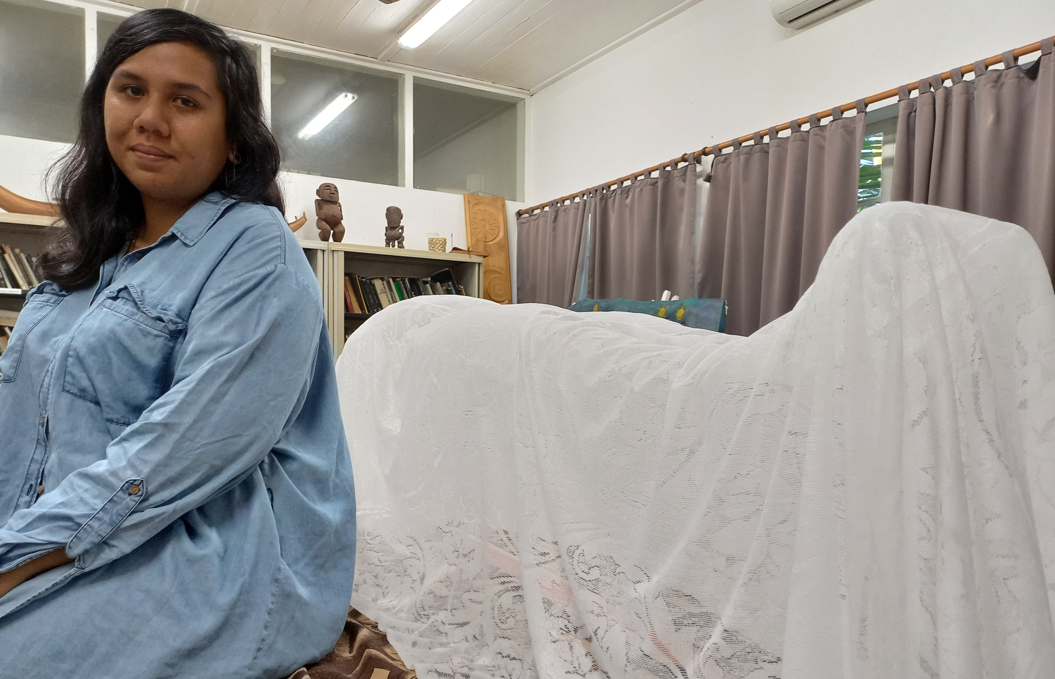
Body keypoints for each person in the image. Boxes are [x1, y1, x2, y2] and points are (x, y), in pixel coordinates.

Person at [0, 9, 356, 677]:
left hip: (208, 547)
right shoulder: (80, 257)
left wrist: (16, 555)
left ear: (234, 140)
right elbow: (17, 414)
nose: (150, 119)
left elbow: (186, 447)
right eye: (131, 89)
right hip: (63, 529)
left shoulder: (255, 245)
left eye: (185, 101)